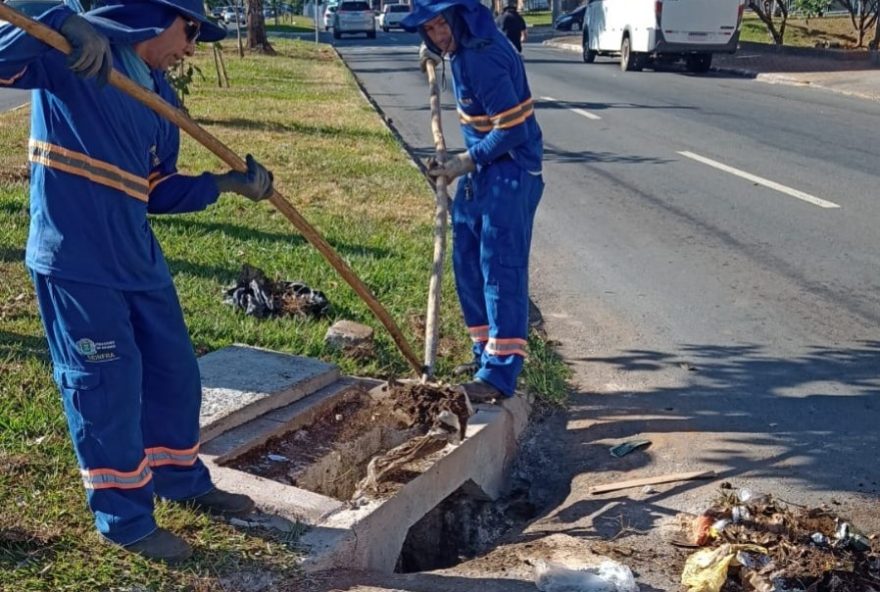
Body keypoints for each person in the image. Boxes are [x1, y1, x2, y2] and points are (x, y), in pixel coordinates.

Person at [0, 0, 275, 563]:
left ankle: (179, 478)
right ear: (151, 15)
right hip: (76, 259)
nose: (192, 48)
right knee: (107, 382)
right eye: (189, 29)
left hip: (136, 259)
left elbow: (157, 188)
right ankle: (123, 515)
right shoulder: (70, 54)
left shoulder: (161, 96)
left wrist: (225, 185)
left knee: (175, 369)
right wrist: (60, 22)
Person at [401, 0, 543, 404]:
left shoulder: (483, 58)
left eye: (442, 25)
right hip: (485, 169)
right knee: (467, 258)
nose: (438, 35)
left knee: (500, 266)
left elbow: (514, 130)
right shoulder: (461, 49)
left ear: (461, 17)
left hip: (512, 169)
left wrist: (463, 161)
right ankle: (484, 353)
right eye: (428, 29)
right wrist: (434, 51)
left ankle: (499, 374)